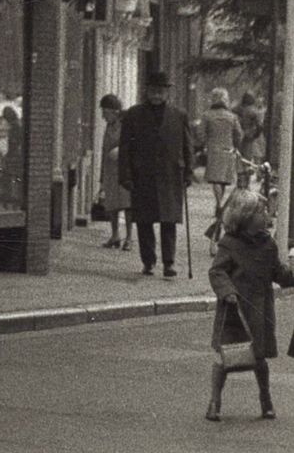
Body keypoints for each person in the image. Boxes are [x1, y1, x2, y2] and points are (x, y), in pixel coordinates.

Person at [205, 187, 294, 420]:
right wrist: (227, 292)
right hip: (235, 311)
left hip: (260, 309)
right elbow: (217, 272)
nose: (267, 216)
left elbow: (277, 273)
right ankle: (215, 401)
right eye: (262, 212)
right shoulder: (229, 243)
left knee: (259, 359)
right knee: (226, 358)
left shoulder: (268, 244)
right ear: (246, 217)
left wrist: (291, 275)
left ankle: (266, 399)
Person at [118, 68, 194, 279]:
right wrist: (125, 176)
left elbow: (188, 146)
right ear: (146, 91)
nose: (156, 94)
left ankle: (169, 263)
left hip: (171, 176)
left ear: (167, 92)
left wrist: (188, 172)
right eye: (153, 90)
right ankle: (148, 262)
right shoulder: (133, 114)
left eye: (160, 90)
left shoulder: (179, 116)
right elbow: (125, 148)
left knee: (169, 222)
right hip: (143, 176)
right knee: (144, 221)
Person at [200, 87, 244, 215]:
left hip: (213, 150)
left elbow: (201, 132)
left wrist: (204, 144)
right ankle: (219, 204)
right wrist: (235, 146)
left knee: (215, 179)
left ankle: (218, 203)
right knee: (223, 179)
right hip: (228, 150)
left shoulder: (207, 115)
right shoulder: (232, 116)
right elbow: (239, 134)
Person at [97, 94, 133, 251]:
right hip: (110, 170)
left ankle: (130, 238)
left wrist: (120, 150)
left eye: (105, 112)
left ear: (113, 111)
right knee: (112, 203)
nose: (103, 116)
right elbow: (105, 150)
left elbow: (133, 144)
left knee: (127, 204)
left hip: (124, 169)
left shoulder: (126, 124)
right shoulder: (109, 126)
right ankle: (115, 235)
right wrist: (102, 178)